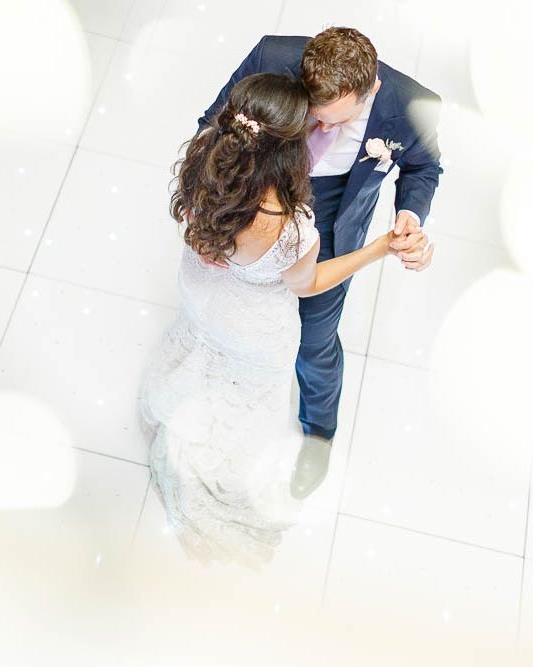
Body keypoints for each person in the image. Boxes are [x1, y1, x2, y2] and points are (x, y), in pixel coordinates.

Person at [137, 72, 401, 570]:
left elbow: (199, 232)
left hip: (201, 294)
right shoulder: (290, 228)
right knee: (246, 407)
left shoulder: (202, 165)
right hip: (253, 330)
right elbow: (308, 284)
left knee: (197, 352)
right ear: (288, 150)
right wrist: (378, 248)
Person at [198, 28, 443, 499]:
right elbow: (214, 126)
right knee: (235, 318)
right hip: (254, 198)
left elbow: (423, 167)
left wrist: (408, 216)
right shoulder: (273, 55)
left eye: (336, 122)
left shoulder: (413, 104)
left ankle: (318, 435)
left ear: (370, 89)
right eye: (315, 118)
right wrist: (209, 215)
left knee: (314, 341)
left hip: (331, 220)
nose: (322, 132)